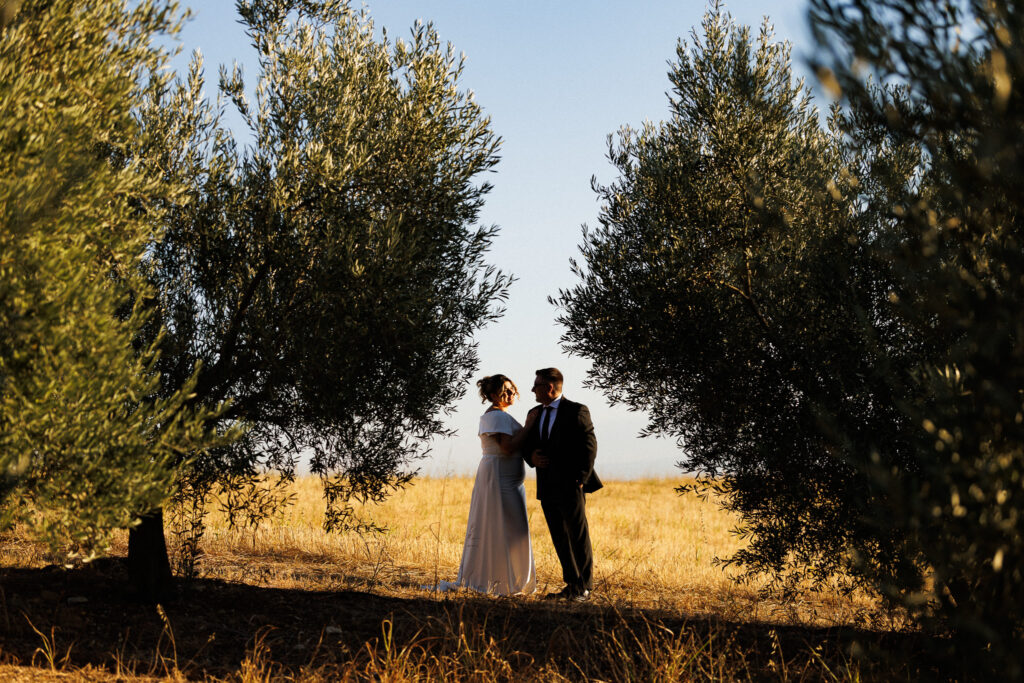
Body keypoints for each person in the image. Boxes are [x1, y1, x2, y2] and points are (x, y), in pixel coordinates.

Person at [453, 374, 538, 595]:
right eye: (505, 391)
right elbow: (507, 448)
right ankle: (503, 580)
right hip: (499, 477)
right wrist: (529, 427)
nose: (511, 394)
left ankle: (506, 577)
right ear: (493, 395)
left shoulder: (498, 416)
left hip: (504, 476)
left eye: (512, 390)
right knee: (508, 526)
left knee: (508, 526)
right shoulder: (497, 417)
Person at [522, 367, 601, 602]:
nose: (532, 389)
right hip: (546, 486)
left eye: (536, 385)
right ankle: (572, 585)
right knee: (559, 536)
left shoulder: (576, 411)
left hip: (571, 485)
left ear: (549, 387)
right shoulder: (534, 412)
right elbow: (527, 444)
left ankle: (585, 588)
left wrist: (581, 478)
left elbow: (589, 445)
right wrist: (532, 458)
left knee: (578, 535)